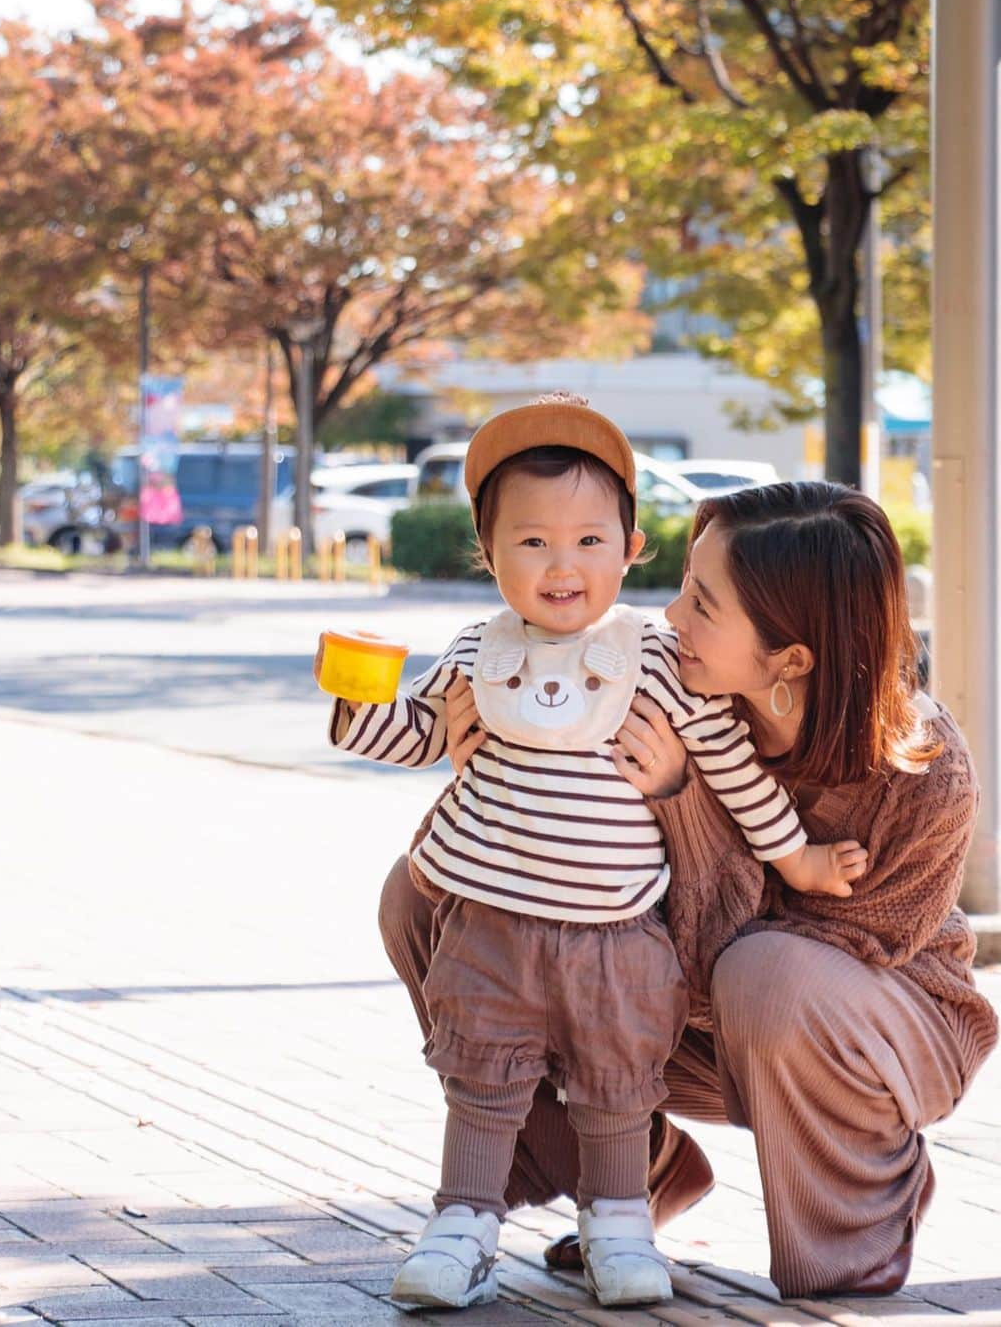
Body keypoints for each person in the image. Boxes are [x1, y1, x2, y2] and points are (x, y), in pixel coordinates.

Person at [379, 477, 1000, 1301]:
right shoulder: (669, 691)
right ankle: (628, 1171)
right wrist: (483, 757)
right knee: (428, 902)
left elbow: (816, 948)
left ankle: (857, 1218)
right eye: (681, 589)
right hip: (682, 1007)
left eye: (703, 604)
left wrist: (687, 803)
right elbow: (477, 865)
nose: (670, 618)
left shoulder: (920, 770)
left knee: (767, 973)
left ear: (791, 657)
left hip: (878, 1027)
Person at [319, 398, 866, 1311]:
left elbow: (732, 774)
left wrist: (801, 860)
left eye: (586, 541)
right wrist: (360, 706)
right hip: (487, 923)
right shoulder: (474, 650)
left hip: (617, 931)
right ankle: (461, 1227)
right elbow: (419, 736)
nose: (560, 564)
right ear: (488, 556)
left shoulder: (655, 661)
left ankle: (621, 1230)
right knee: (481, 1078)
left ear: (630, 549)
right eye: (529, 544)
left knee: (616, 1085)